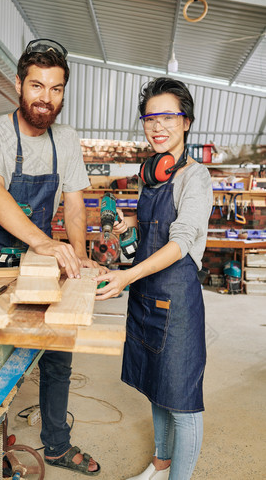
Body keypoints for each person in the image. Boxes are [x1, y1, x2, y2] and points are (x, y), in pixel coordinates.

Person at [0, 38, 104, 476]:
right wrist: (44, 242)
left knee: (58, 353)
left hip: (39, 260)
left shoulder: (66, 139)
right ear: (18, 85)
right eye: (37, 86)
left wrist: (78, 259)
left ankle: (57, 446)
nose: (46, 98)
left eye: (56, 88)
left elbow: (75, 202)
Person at [95, 77, 213, 479]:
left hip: (176, 301)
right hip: (147, 297)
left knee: (182, 401)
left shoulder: (194, 177)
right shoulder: (152, 175)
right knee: (157, 391)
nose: (157, 125)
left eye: (168, 116)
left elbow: (179, 243)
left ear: (186, 122)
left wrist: (127, 276)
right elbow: (152, 230)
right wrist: (126, 224)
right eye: (150, 117)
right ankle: (161, 465)